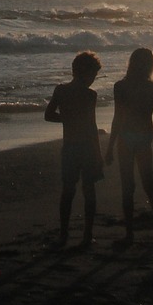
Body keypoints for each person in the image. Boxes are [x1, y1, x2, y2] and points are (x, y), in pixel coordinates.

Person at [104, 46, 153, 244]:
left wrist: (109, 147)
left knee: (128, 186)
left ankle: (129, 233)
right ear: (150, 65)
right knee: (149, 184)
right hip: (143, 138)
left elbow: (118, 119)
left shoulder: (121, 86)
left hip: (125, 139)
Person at [44, 50, 104, 248]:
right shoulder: (90, 95)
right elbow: (92, 125)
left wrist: (66, 119)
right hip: (87, 146)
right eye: (94, 75)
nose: (94, 79)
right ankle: (87, 234)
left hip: (69, 146)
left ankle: (64, 234)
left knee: (67, 191)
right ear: (87, 73)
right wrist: (98, 152)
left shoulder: (60, 90)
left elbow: (49, 115)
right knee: (89, 190)